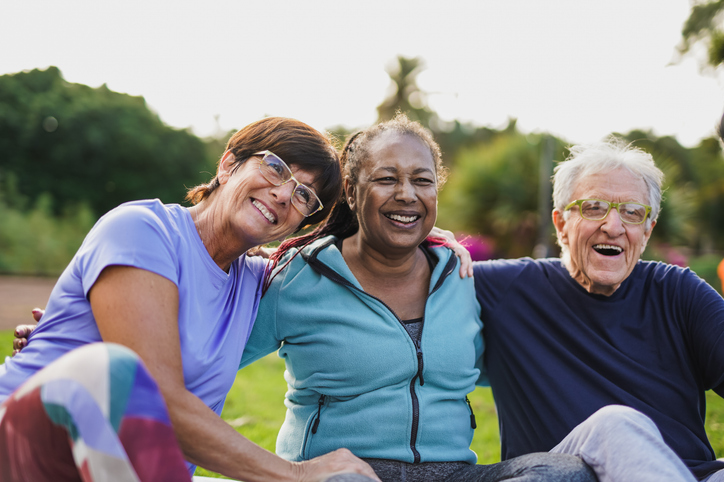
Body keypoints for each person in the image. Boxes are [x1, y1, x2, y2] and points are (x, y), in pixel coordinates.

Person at [0, 117, 379, 482]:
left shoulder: (262, 282)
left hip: (130, 470)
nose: (283, 195)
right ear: (229, 164)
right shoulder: (141, 229)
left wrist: (434, 243)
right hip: (27, 448)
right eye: (276, 168)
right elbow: (158, 397)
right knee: (114, 370)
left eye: (303, 195)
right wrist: (295, 474)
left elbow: (380, 246)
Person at [237, 114, 597, 481]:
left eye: (422, 181)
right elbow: (205, 367)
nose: (407, 194)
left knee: (565, 472)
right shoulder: (297, 279)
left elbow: (520, 367)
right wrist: (287, 470)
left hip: (453, 474)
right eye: (386, 178)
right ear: (350, 190)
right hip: (348, 474)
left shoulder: (461, 276)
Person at [473, 139, 724, 481]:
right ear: (561, 223)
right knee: (615, 425)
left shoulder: (679, 292)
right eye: (594, 207)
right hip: (569, 473)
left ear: (647, 230)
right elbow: (399, 261)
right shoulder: (506, 288)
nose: (614, 226)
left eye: (632, 212)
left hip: (694, 475)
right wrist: (440, 245)